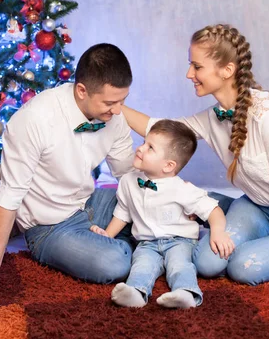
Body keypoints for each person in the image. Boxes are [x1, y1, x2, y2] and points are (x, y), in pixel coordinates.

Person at [122, 24, 269, 285]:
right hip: (258, 207)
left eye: (197, 66)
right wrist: (113, 105)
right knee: (207, 262)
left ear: (227, 70)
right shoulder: (213, 117)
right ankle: (217, 207)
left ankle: (216, 206)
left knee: (243, 267)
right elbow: (159, 128)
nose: (189, 73)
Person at [0, 43, 137, 285]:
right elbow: (9, 195)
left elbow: (128, 175)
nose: (118, 111)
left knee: (159, 209)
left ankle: (130, 245)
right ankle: (144, 251)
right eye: (110, 103)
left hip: (90, 202)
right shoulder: (35, 119)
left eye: (122, 101)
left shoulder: (114, 117)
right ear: (82, 90)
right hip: (49, 226)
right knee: (113, 263)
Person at [91, 120, 234, 308]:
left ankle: (186, 293)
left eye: (150, 148)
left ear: (168, 166)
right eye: (143, 142)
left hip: (179, 240)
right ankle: (136, 293)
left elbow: (213, 210)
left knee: (179, 266)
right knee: (141, 266)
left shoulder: (181, 188)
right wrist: (108, 235)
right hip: (146, 243)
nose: (140, 149)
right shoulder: (128, 181)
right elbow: (123, 212)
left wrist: (217, 231)